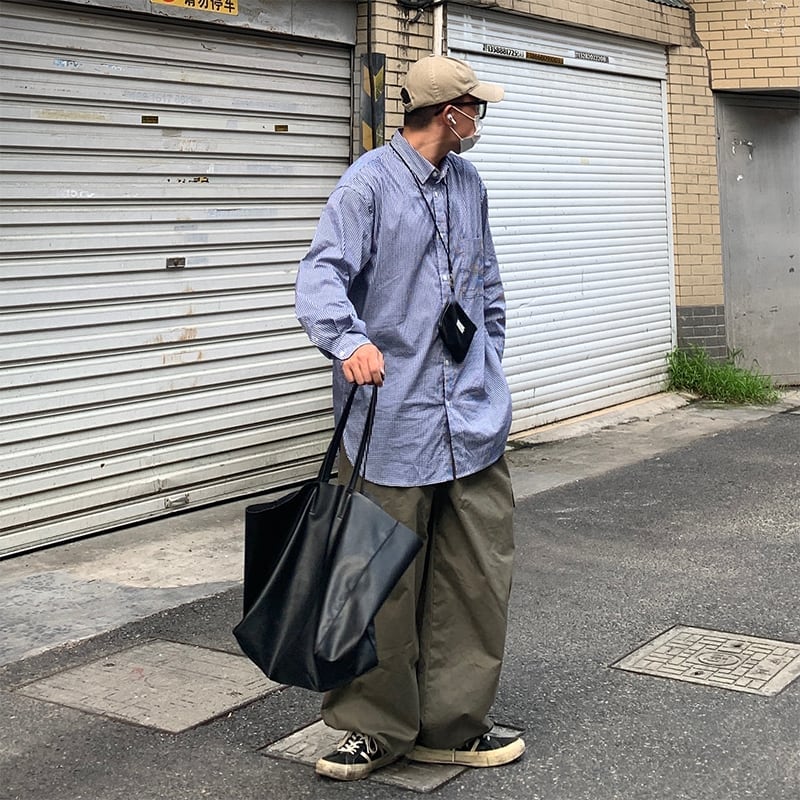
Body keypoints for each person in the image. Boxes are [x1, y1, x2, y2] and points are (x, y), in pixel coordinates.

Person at [294, 54, 523, 782]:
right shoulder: (366, 184)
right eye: (473, 108)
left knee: (474, 578)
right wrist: (348, 340)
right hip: (392, 421)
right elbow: (320, 274)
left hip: (471, 420)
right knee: (376, 581)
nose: (479, 119)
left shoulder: (468, 182)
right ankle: (372, 727)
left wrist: (489, 358)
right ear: (446, 113)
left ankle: (453, 725)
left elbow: (485, 280)